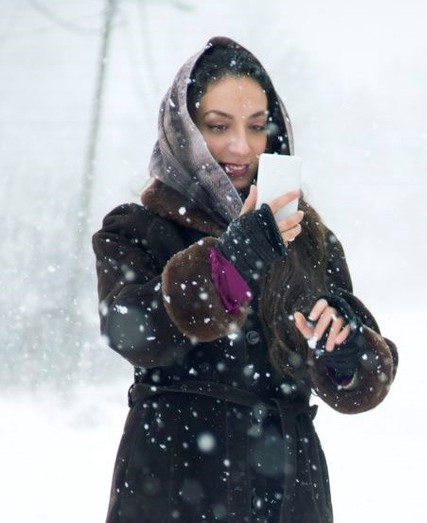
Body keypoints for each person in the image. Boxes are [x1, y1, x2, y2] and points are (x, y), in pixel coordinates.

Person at [92, 36, 398, 523]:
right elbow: (129, 330)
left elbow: (360, 384)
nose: (242, 146)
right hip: (171, 485)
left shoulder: (307, 239)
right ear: (184, 131)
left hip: (288, 493)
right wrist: (227, 263)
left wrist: (345, 350)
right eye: (218, 126)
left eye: (256, 126)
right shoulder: (137, 229)